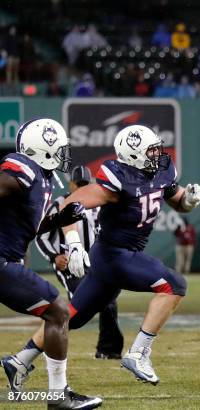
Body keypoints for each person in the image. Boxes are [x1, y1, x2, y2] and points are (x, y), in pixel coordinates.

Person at [9, 125, 200, 387]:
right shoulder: (119, 177)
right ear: (134, 155)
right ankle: (138, 353)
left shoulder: (161, 172)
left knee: (71, 318)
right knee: (175, 285)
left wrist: (189, 201)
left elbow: (177, 199)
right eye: (151, 150)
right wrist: (74, 243)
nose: (159, 154)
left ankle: (20, 360)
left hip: (117, 259)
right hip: (114, 256)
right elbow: (70, 205)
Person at [0, 118, 102, 408]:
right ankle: (59, 396)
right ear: (42, 148)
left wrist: (60, 220)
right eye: (59, 147)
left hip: (8, 260)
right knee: (58, 310)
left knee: (57, 311)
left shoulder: (41, 178)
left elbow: (32, 224)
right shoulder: (24, 167)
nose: (64, 154)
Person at [36, 165, 124, 360]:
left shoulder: (96, 205)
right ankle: (44, 344)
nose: (82, 187)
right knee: (81, 303)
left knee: (109, 301)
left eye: (86, 184)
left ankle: (108, 349)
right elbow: (41, 235)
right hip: (68, 263)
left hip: (93, 261)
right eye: (79, 184)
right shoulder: (60, 203)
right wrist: (54, 256)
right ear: (71, 183)